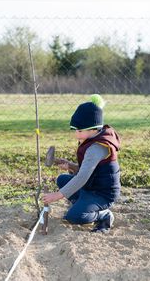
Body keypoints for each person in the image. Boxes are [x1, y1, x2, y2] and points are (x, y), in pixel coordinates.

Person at [42, 94, 121, 233]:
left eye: (79, 131)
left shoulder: (97, 147)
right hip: (91, 186)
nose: (76, 134)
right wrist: (70, 166)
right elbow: (89, 170)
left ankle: (104, 215)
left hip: (102, 193)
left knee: (75, 216)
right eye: (75, 130)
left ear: (93, 129)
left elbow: (83, 177)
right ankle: (82, 204)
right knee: (62, 179)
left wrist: (58, 195)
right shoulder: (92, 139)